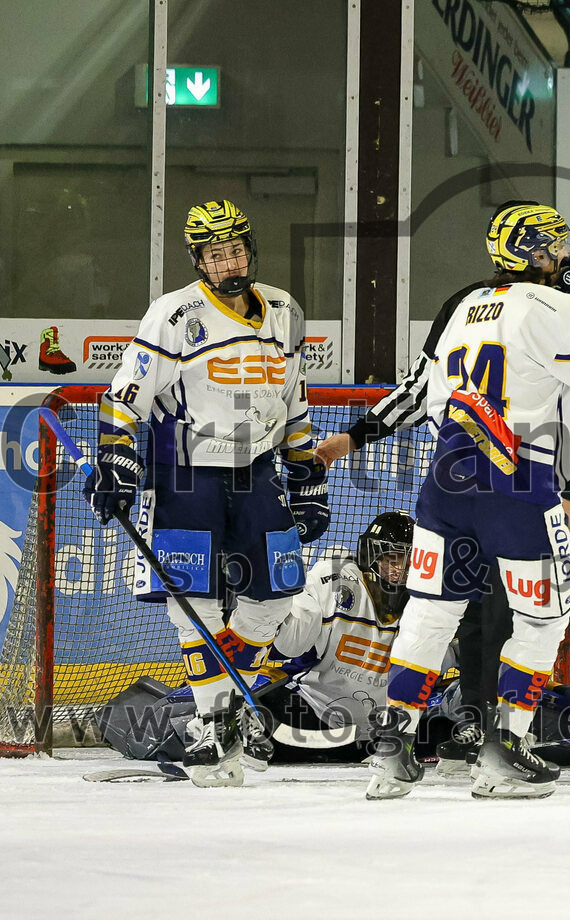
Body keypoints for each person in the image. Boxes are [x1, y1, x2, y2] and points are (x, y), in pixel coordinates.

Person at [314, 202, 570, 775]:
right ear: (533, 252)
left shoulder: (461, 309)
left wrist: (352, 439)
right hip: (520, 481)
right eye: (552, 245)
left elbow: (426, 394)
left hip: (446, 483)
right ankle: (505, 749)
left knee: (431, 615)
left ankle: (392, 745)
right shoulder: (556, 305)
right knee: (543, 620)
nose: (560, 254)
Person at [84, 200, 329, 787]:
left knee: (274, 597)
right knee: (194, 599)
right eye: (215, 254)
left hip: (259, 471)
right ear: (198, 260)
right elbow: (124, 398)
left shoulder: (286, 312)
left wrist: (307, 472)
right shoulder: (173, 315)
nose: (229, 262)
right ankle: (212, 720)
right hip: (185, 472)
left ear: (251, 249)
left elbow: (294, 402)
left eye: (236, 249)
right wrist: (117, 462)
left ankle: (221, 697)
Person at [264, 511, 455, 760]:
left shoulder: (430, 602)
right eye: (394, 558)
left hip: (392, 732)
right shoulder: (335, 581)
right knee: (261, 702)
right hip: (315, 716)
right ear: (371, 556)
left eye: (412, 562)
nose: (402, 569)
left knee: (460, 715)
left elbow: (456, 665)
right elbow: (287, 647)